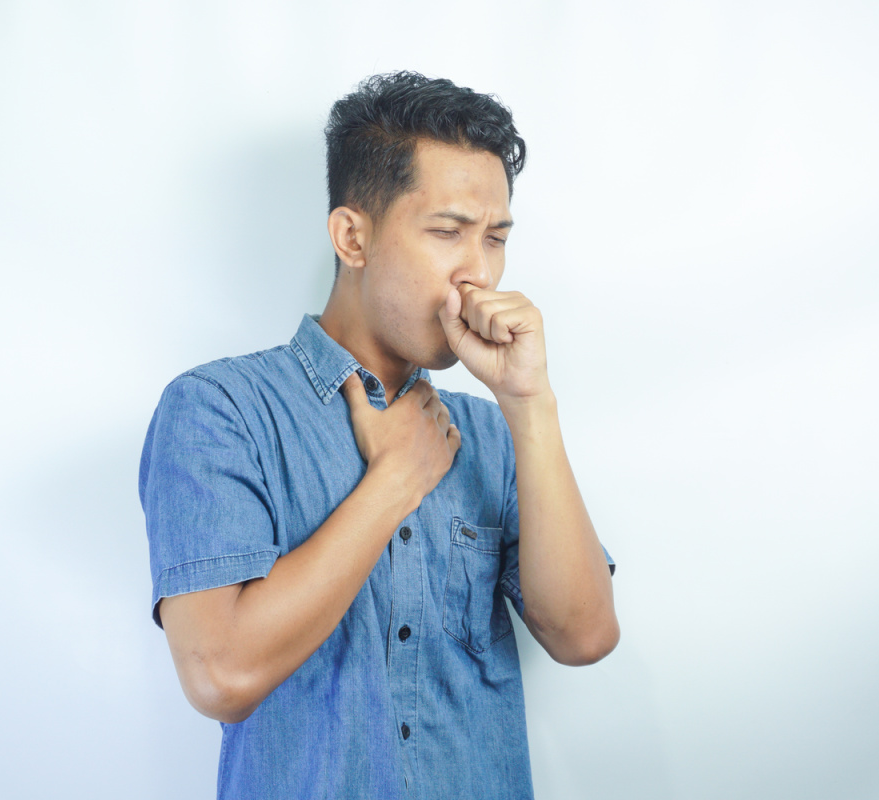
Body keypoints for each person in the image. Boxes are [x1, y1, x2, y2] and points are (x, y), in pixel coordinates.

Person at [139, 71, 619, 799]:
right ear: (352, 237)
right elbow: (219, 673)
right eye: (447, 232)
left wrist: (531, 402)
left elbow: (584, 637)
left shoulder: (492, 431)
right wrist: (394, 482)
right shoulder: (219, 411)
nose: (479, 276)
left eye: (495, 239)